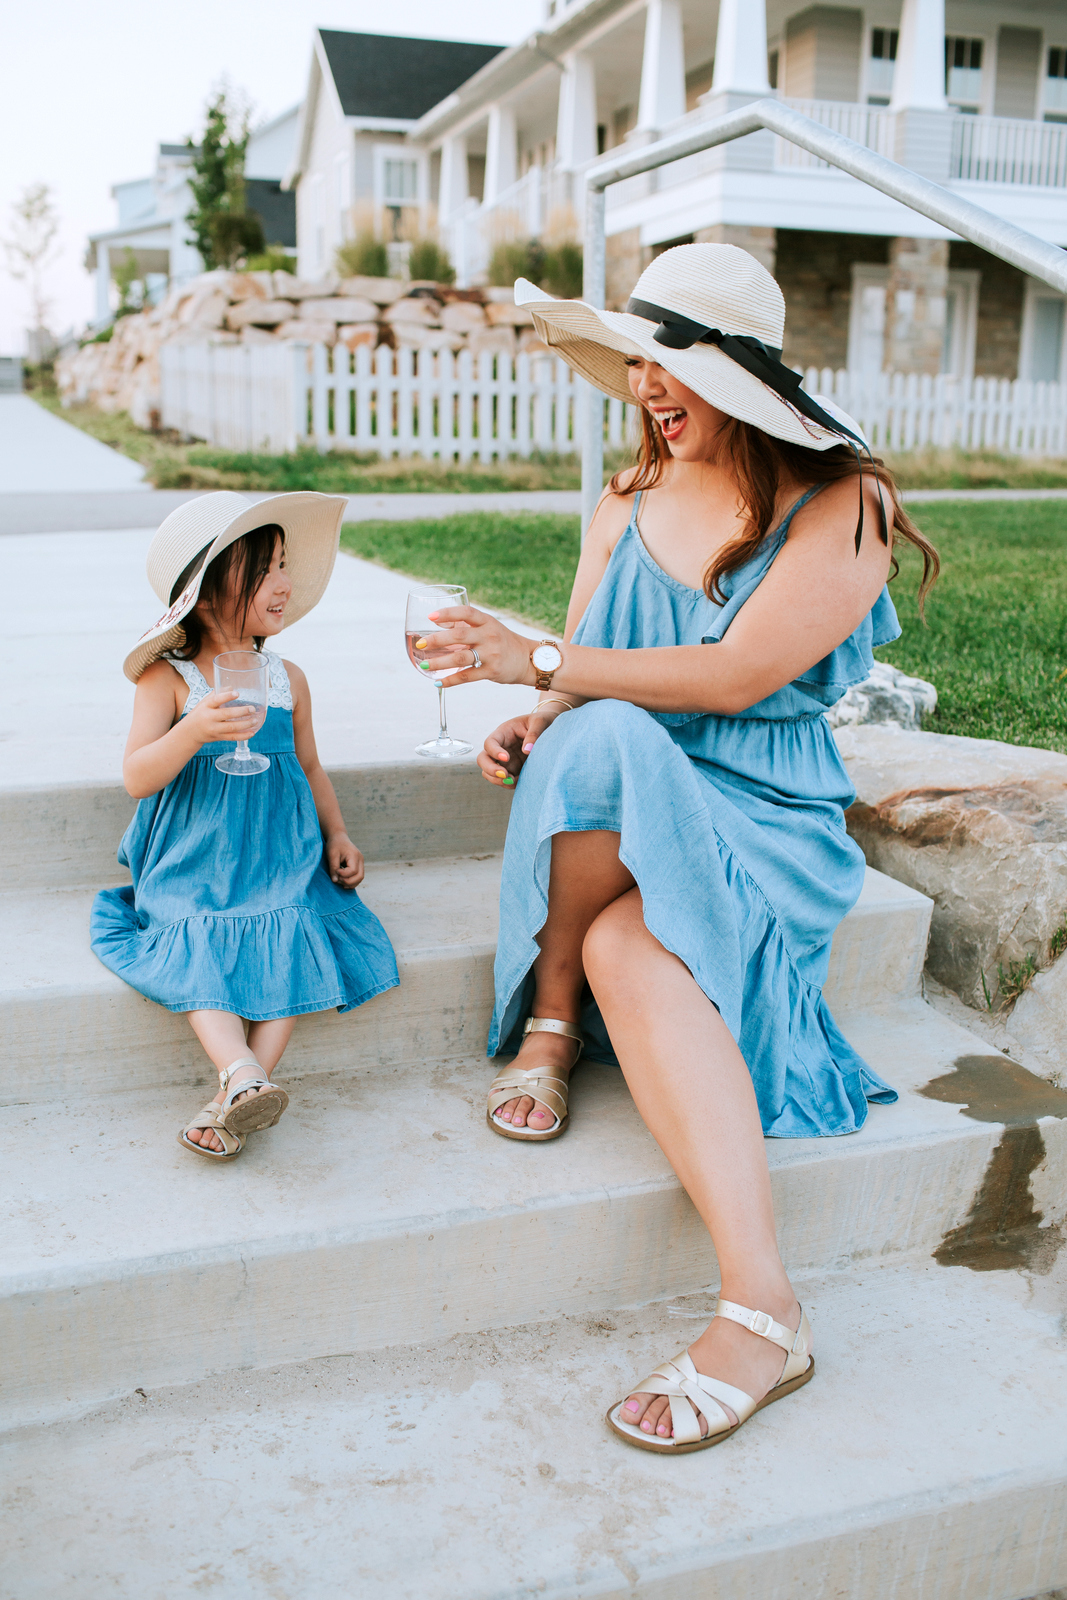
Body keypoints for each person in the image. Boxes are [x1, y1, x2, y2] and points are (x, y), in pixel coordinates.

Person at [411, 244, 938, 1453]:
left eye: (678, 371)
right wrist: (532, 717)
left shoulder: (839, 504)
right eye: (643, 364)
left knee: (609, 825)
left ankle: (749, 1294)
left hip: (764, 823)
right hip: (624, 794)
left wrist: (542, 669)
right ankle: (756, 1291)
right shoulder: (624, 499)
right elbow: (595, 654)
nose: (650, 390)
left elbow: (730, 675)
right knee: (601, 817)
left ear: (742, 386)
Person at [91, 491, 399, 1161]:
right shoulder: (167, 680)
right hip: (194, 857)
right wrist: (193, 729)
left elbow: (311, 768)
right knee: (197, 938)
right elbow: (138, 776)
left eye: (285, 565)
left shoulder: (288, 678)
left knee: (290, 932)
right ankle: (243, 1072)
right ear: (206, 595)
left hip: (278, 854)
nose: (285, 584)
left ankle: (238, 1089)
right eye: (265, 570)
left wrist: (338, 835)